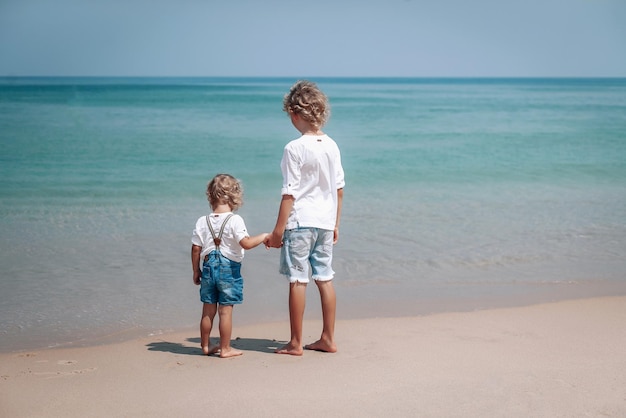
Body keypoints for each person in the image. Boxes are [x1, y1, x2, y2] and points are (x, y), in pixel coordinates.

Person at [265, 80, 345, 356]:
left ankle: (296, 343)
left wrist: (277, 232)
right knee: (325, 278)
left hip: (300, 223)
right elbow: (339, 189)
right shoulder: (332, 145)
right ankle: (328, 338)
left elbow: (289, 194)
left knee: (298, 280)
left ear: (294, 114)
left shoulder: (294, 148)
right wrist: (335, 223)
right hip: (324, 221)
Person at [191, 174, 268, 358]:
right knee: (225, 311)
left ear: (210, 196)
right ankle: (225, 348)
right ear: (235, 196)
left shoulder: (202, 221)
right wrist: (265, 236)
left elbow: (195, 248)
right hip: (228, 269)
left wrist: (196, 270)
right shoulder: (235, 220)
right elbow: (246, 243)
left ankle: (205, 345)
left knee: (208, 310)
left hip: (208, 266)